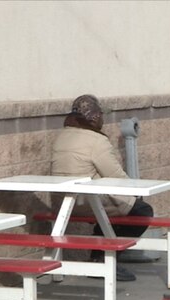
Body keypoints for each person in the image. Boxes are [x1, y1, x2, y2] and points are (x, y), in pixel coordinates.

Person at [50, 94, 153, 282]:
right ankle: (104, 258)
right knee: (142, 210)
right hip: (86, 201)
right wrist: (136, 191)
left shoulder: (61, 136)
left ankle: (99, 255)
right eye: (101, 115)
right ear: (95, 117)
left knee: (109, 211)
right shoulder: (96, 140)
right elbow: (116, 176)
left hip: (63, 202)